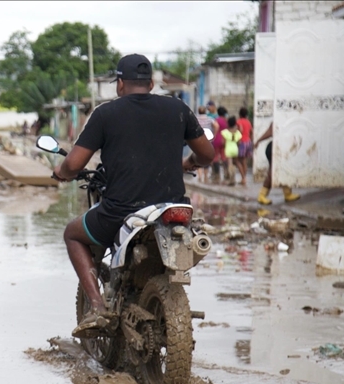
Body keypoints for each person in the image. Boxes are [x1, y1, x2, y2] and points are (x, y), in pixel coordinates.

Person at [52, 54, 214, 336]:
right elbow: (207, 155)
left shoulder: (105, 114)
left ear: (120, 84)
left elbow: (74, 164)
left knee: (72, 234)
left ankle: (97, 307)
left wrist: (62, 172)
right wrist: (188, 163)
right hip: (172, 209)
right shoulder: (178, 108)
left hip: (121, 212)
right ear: (151, 84)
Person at [254, 122, 301, 205]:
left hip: (282, 148)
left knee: (284, 171)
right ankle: (262, 195)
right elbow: (270, 131)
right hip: (275, 148)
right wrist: (258, 140)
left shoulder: (288, 119)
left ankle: (287, 193)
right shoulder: (279, 118)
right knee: (272, 173)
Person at [195, 106, 216, 184]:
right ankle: (206, 177)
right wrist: (214, 135)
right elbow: (216, 126)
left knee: (198, 157)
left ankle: (200, 176)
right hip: (208, 141)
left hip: (198, 141)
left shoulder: (195, 119)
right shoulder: (210, 119)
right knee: (206, 157)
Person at [221, 116, 242, 186]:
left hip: (228, 149)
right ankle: (236, 177)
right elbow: (239, 142)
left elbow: (223, 143)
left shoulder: (225, 132)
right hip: (235, 149)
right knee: (235, 163)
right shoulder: (237, 132)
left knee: (230, 164)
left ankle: (231, 179)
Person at [236, 107, 253, 185]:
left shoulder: (239, 121)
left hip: (241, 142)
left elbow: (240, 130)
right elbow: (251, 131)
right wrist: (250, 139)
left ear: (240, 114)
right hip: (248, 142)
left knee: (237, 160)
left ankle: (243, 178)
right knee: (244, 161)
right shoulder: (248, 122)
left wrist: (238, 140)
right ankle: (244, 178)